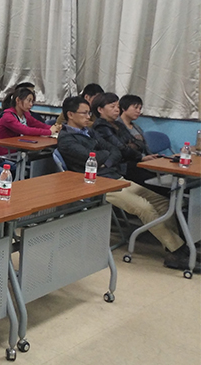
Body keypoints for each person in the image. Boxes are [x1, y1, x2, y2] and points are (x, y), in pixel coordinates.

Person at [57, 96, 195, 272]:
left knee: (164, 203)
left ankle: (173, 249)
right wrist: (103, 157)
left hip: (114, 177)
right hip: (96, 184)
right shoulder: (66, 139)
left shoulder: (89, 131)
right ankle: (178, 250)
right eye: (84, 113)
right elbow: (91, 157)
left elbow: (114, 150)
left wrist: (105, 161)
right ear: (70, 114)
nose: (88, 117)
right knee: (144, 208)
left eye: (89, 113)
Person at [91, 93, 161, 189]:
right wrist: (140, 156)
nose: (117, 109)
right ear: (100, 109)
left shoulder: (118, 124)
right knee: (156, 182)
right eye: (112, 107)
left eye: (118, 106)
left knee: (161, 176)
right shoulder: (101, 127)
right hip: (122, 166)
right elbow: (121, 148)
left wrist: (130, 146)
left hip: (132, 161)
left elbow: (137, 143)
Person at [0, 86, 59, 155]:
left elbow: (38, 124)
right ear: (18, 100)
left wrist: (55, 128)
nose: (31, 104)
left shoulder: (25, 114)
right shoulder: (8, 116)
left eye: (32, 102)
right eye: (28, 100)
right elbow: (25, 130)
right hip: (5, 153)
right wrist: (49, 132)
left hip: (19, 150)